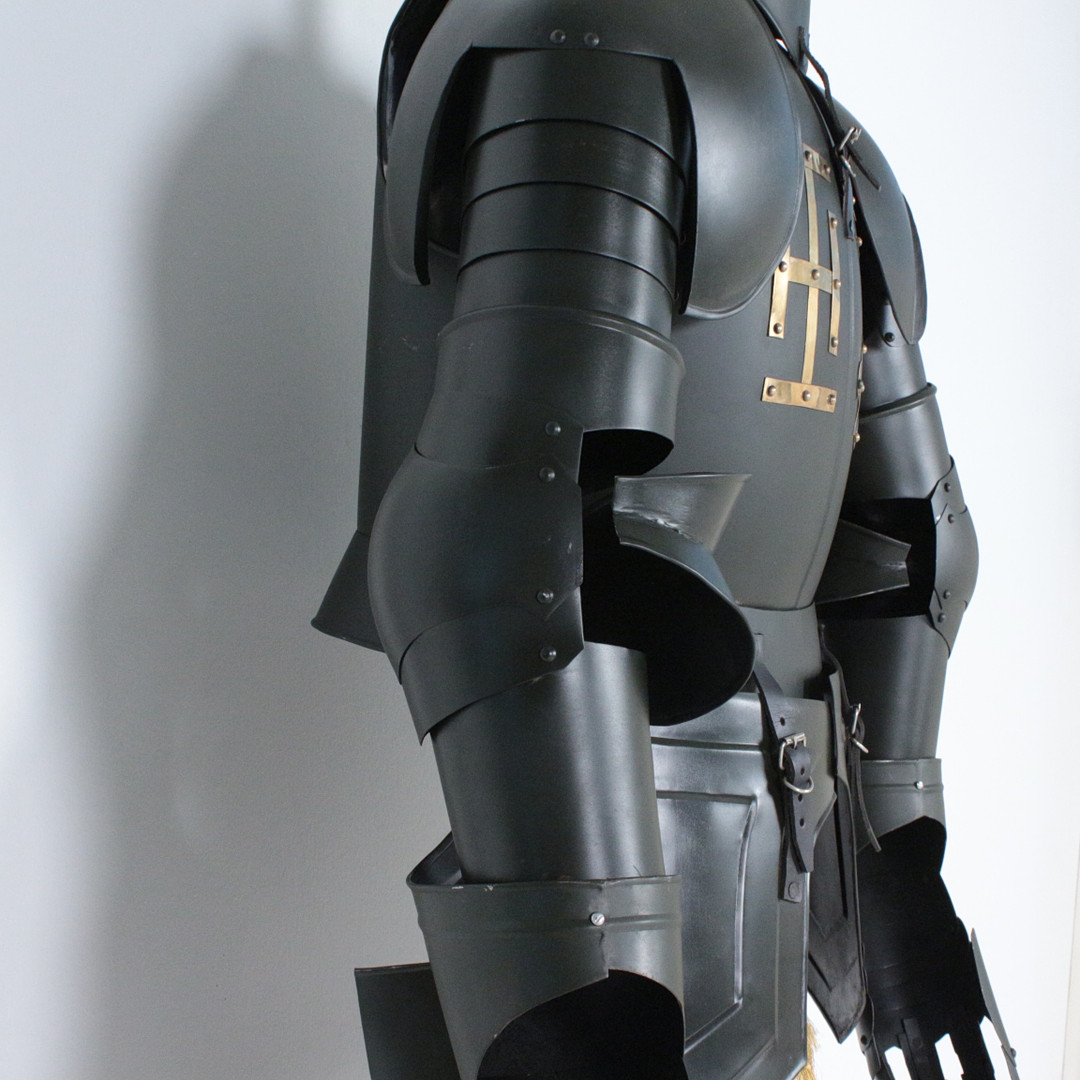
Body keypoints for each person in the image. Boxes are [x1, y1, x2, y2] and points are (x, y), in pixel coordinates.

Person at [315, 1, 1018, 1076]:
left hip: (794, 861)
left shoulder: (825, 130)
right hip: (629, 844)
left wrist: (901, 873)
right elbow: (504, 519)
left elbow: (914, 540)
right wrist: (583, 979)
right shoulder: (597, 32)